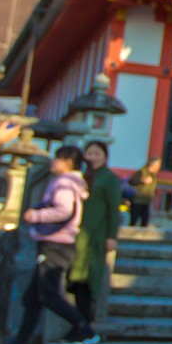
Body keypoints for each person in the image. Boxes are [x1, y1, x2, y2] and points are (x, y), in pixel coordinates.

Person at [0, 143, 99, 344]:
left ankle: (83, 327)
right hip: (57, 243)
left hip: (55, 243)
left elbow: (63, 210)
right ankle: (19, 343)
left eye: (57, 158)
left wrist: (36, 216)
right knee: (33, 298)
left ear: (68, 162)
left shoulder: (65, 182)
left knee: (48, 294)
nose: (53, 162)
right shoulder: (72, 182)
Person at [68, 139, 124, 331]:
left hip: (96, 235)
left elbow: (113, 209)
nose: (92, 157)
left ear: (105, 157)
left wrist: (111, 236)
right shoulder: (81, 177)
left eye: (97, 153)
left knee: (88, 279)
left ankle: (85, 325)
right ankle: (79, 324)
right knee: (74, 279)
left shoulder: (109, 179)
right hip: (78, 234)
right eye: (89, 153)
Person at [126, 159, 161, 228]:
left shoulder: (153, 175)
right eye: (158, 165)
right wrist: (143, 181)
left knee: (144, 222)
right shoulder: (142, 172)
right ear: (153, 165)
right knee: (133, 221)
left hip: (146, 201)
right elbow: (131, 181)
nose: (158, 167)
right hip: (137, 200)